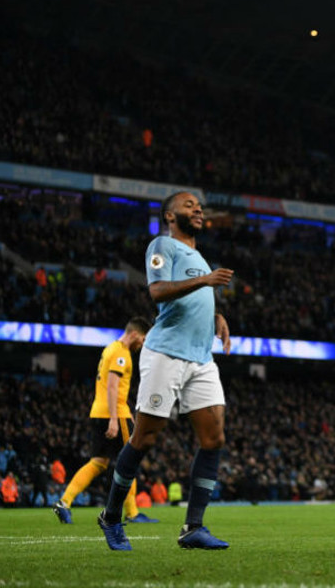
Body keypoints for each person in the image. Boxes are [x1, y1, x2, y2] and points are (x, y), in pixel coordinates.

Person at [97, 191, 234, 551]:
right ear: (170, 216)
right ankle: (111, 516)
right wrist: (204, 282)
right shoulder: (163, 245)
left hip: (201, 358)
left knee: (214, 438)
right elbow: (158, 292)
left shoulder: (200, 258)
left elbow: (194, 301)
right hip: (166, 354)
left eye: (200, 206)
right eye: (189, 205)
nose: (198, 209)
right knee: (144, 439)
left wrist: (217, 317)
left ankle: (193, 528)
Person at [54, 317, 156, 525]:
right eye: (144, 339)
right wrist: (114, 419)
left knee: (98, 462)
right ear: (135, 334)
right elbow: (112, 386)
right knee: (131, 457)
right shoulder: (121, 353)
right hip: (115, 413)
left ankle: (64, 502)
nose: (143, 344)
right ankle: (133, 513)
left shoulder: (109, 349)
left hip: (98, 411)